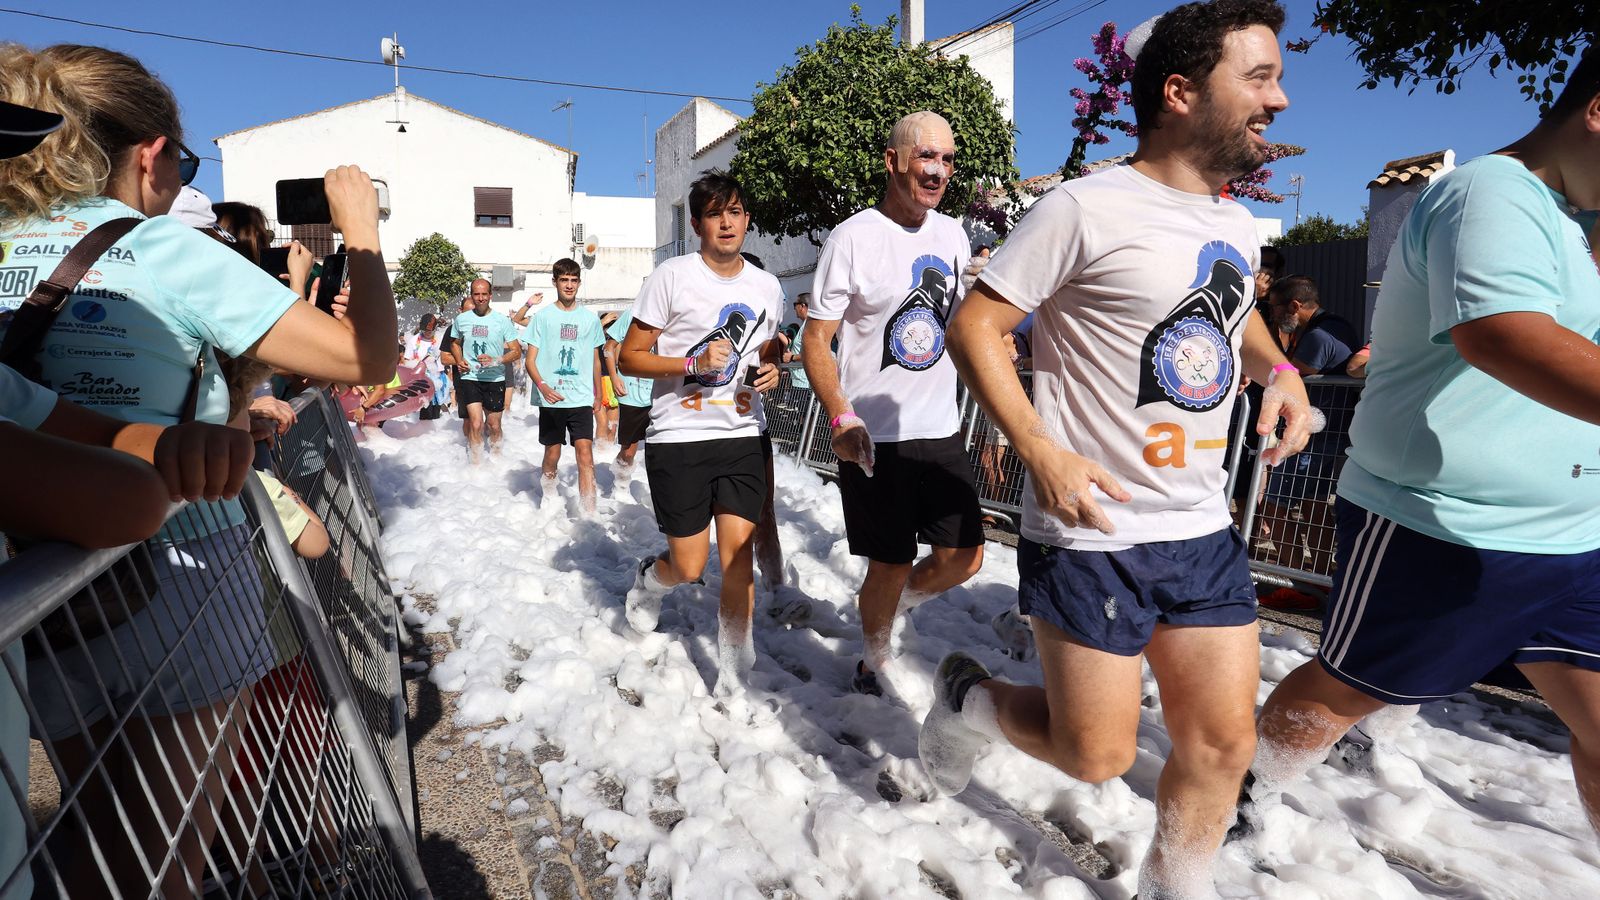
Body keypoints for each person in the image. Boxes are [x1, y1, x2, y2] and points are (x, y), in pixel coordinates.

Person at [922, 5, 1316, 896]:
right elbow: (975, 326)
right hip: (1094, 528)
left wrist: (1283, 372)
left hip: (1201, 528)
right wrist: (1040, 452)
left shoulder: (1234, 225)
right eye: (1258, 78)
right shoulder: (1082, 206)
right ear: (1179, 92)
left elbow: (1238, 318)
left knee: (1223, 747)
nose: (1280, 100)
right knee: (1094, 755)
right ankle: (968, 701)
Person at [0, 42, 397, 898]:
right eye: (182, 162)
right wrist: (360, 229)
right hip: (182, 568)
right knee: (160, 859)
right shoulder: (161, 248)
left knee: (93, 823)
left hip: (33, 577)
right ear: (152, 153)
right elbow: (365, 358)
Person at [1246, 43, 1600, 836]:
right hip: (1442, 525)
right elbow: (1503, 335)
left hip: (1574, 538)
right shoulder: (1491, 193)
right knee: (1345, 690)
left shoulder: (1576, 225)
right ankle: (1245, 793)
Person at [802, 110, 984, 696]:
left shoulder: (952, 234)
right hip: (874, 435)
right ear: (893, 161)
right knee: (890, 562)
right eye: (926, 156)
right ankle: (872, 661)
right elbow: (816, 340)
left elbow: (957, 326)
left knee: (965, 557)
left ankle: (887, 607)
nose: (938, 171)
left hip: (940, 427)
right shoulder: (853, 237)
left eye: (948, 159)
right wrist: (841, 415)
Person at [617, 170, 783, 697]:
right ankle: (651, 579)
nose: (726, 223)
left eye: (734, 212)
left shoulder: (767, 286)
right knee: (689, 566)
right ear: (696, 224)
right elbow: (629, 357)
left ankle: (734, 681)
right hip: (678, 438)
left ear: (747, 219)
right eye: (715, 214)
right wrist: (691, 363)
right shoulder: (672, 277)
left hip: (741, 436)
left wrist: (773, 369)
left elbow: (768, 349)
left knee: (737, 562)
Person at [523, 258, 604, 510]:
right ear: (555, 282)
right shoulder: (543, 317)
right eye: (564, 280)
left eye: (573, 280)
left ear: (579, 282)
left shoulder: (590, 319)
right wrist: (543, 387)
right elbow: (530, 361)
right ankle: (549, 499)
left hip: (581, 397)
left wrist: (599, 394)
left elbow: (595, 360)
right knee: (553, 453)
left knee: (585, 454)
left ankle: (589, 512)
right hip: (552, 398)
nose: (569, 285)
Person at [451, 277, 521, 462]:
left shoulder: (501, 321)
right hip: (470, 377)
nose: (480, 298)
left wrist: (496, 360)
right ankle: (476, 465)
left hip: (494, 379)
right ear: (471, 295)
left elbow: (516, 351)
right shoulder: (462, 319)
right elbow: (455, 343)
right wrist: (459, 360)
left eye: (484, 294)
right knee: (476, 423)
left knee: (493, 425)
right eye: (476, 294)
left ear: (490, 295)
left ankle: (497, 459)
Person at [606, 304, 653, 474]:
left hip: (661, 393)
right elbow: (608, 347)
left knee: (661, 451)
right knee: (628, 452)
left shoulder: (674, 314)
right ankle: (619, 484)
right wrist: (614, 377)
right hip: (631, 392)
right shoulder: (633, 313)